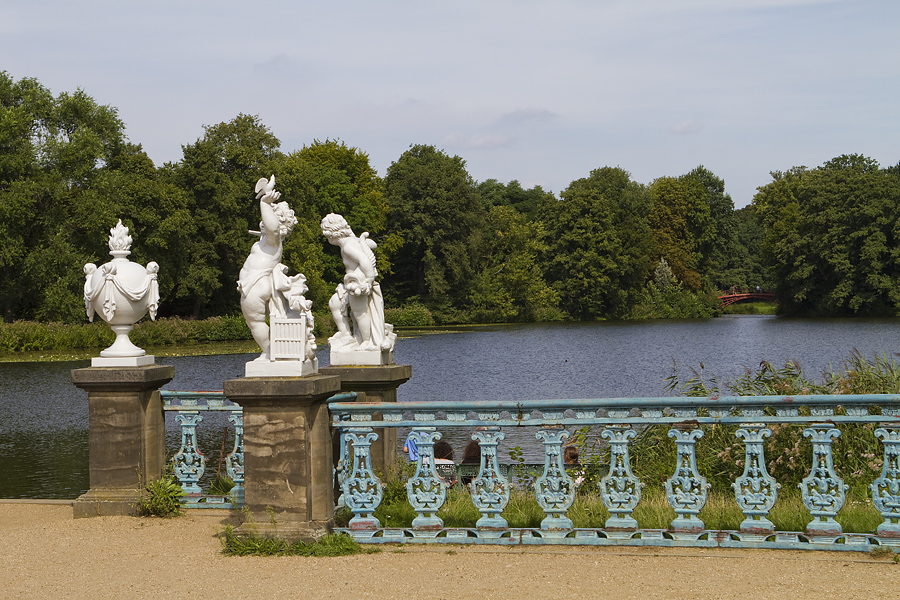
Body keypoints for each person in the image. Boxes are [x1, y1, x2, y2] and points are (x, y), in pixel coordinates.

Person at [237, 176, 300, 361]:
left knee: (255, 322)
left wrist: (265, 203)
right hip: (254, 284)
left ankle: (270, 353)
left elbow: (272, 228)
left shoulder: (274, 241)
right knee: (257, 322)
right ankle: (275, 351)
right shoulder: (266, 242)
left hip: (256, 286)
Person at [321, 213, 395, 352]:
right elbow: (373, 244)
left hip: (358, 283)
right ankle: (346, 334)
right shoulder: (352, 241)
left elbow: (364, 260)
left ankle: (366, 341)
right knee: (335, 302)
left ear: (331, 234)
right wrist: (359, 238)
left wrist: (368, 280)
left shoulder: (348, 246)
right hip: (352, 282)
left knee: (359, 312)